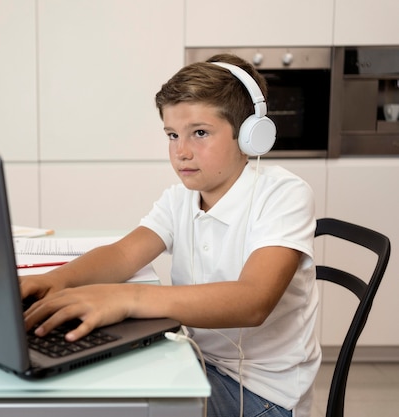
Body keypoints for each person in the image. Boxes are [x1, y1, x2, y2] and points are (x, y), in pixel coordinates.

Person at [20, 53, 321, 417]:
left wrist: (128, 298)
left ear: (248, 136)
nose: (181, 151)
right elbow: (124, 254)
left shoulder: (283, 195)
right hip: (192, 360)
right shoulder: (180, 198)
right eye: (172, 135)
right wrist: (56, 280)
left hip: (258, 394)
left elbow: (253, 301)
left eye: (200, 133)